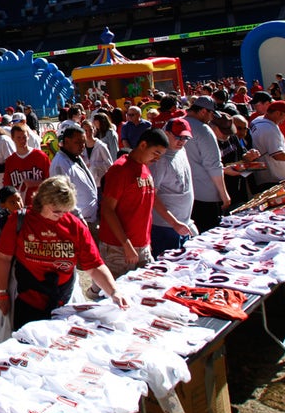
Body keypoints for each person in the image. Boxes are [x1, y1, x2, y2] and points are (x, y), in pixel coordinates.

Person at [0, 176, 128, 333]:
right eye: (57, 210)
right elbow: (3, 258)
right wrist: (2, 293)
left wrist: (113, 291)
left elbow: (94, 265)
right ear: (42, 201)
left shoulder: (74, 225)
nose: (61, 215)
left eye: (65, 210)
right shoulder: (20, 220)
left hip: (63, 303)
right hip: (28, 301)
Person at [96, 129, 189, 286]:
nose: (158, 158)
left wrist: (174, 223)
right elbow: (107, 209)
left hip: (141, 246)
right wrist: (126, 244)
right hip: (118, 248)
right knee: (115, 294)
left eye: (161, 154)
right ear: (143, 145)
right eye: (156, 153)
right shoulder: (120, 170)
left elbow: (152, 198)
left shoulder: (144, 168)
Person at [149, 118, 196, 257]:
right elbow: (152, 196)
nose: (181, 141)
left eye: (185, 138)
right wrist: (174, 223)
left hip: (182, 224)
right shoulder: (160, 160)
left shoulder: (181, 151)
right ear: (167, 133)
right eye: (177, 137)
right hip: (165, 227)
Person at [185, 97, 231, 232]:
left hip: (183, 194)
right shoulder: (203, 129)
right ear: (203, 111)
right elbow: (213, 165)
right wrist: (224, 194)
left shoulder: (174, 124)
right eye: (211, 114)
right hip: (205, 194)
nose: (211, 118)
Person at [48, 126, 100, 233]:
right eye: (78, 142)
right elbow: (62, 196)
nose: (82, 146)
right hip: (80, 223)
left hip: (91, 219)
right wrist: (79, 218)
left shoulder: (75, 157)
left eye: (83, 142)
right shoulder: (60, 164)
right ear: (67, 141)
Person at [3, 124, 50, 208]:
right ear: (12, 138)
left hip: (40, 205)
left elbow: (52, 181)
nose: (22, 140)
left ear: (28, 136)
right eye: (18, 138)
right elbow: (7, 186)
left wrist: (36, 183)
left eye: (24, 137)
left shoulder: (40, 156)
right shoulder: (10, 161)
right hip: (19, 207)